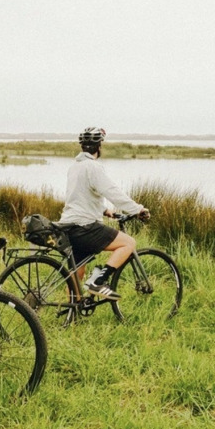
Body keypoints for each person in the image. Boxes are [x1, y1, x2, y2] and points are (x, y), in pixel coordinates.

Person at [59, 127, 149, 301]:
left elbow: (80, 196)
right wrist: (137, 209)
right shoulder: (93, 167)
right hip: (85, 227)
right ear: (99, 146)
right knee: (128, 243)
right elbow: (112, 192)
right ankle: (98, 281)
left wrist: (105, 211)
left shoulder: (74, 167)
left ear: (82, 147)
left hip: (68, 227)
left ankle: (73, 311)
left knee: (78, 270)